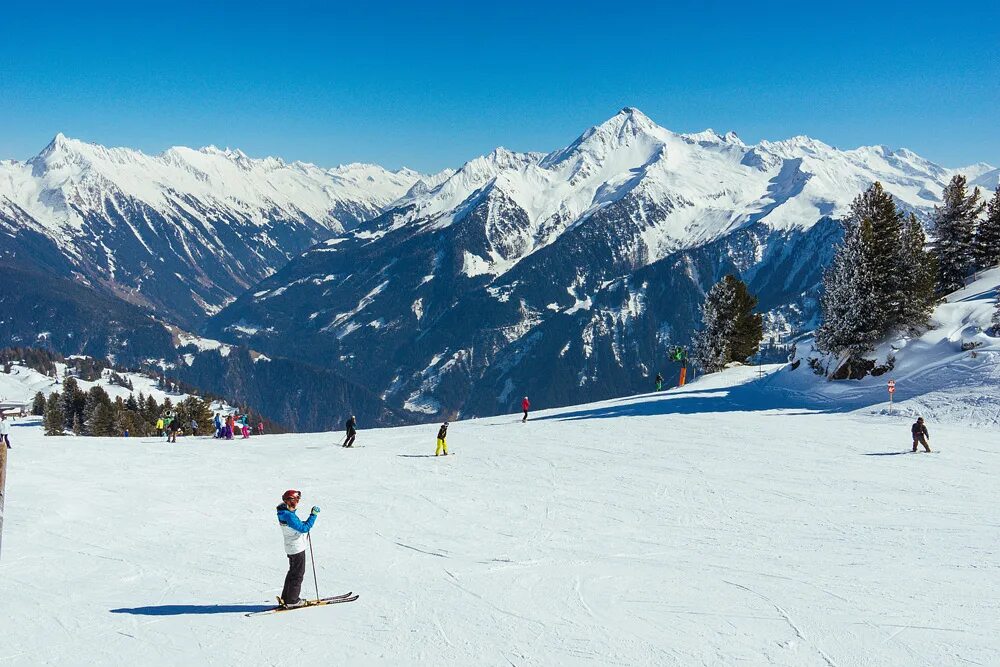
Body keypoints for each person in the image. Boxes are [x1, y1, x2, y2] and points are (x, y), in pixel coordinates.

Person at [276, 489, 320, 608]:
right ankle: (292, 601)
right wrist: (313, 515)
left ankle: (286, 598)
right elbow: (304, 528)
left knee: (293, 572)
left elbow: (297, 525)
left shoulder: (284, 513)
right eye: (297, 499)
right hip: (296, 548)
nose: (298, 502)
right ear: (291, 501)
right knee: (298, 574)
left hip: (291, 547)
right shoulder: (289, 515)